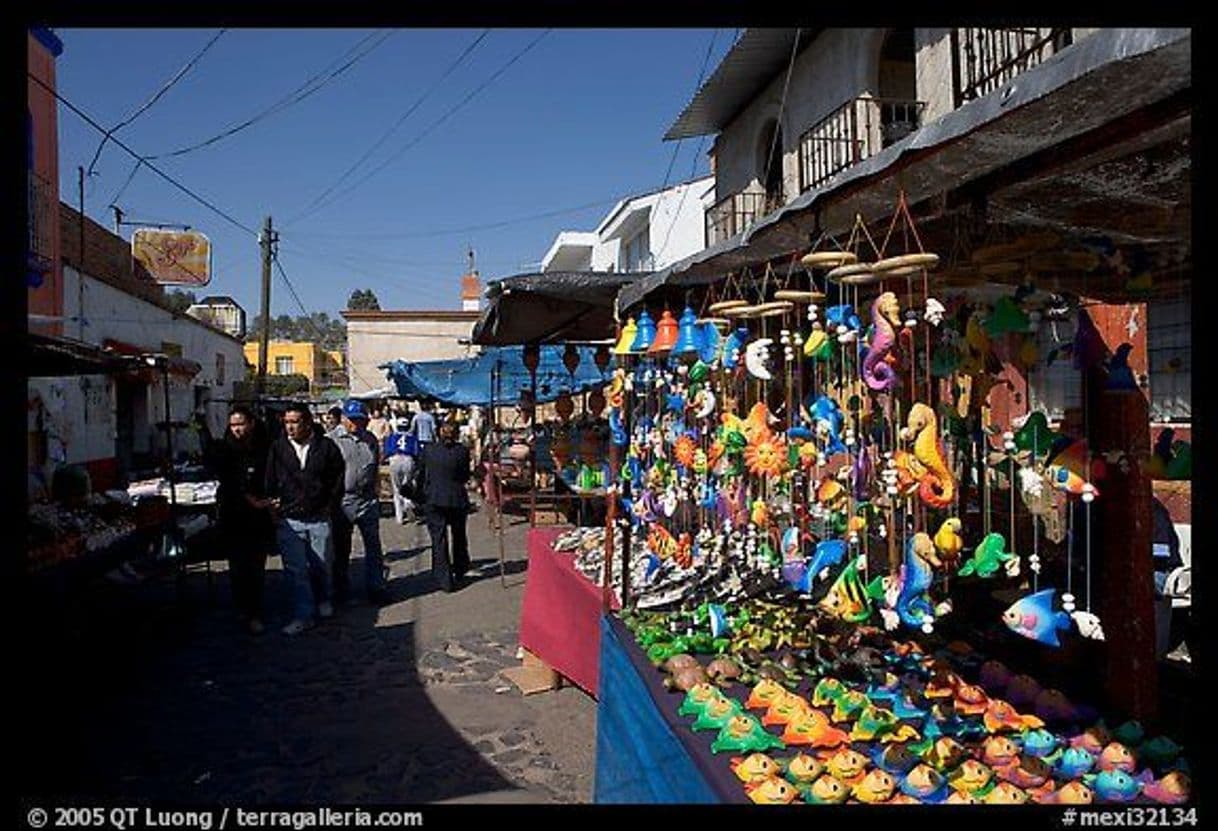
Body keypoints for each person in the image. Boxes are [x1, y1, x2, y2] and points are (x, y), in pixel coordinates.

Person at [263, 403, 346, 635]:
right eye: (287, 422)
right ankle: (303, 614)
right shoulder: (278, 449)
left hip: (319, 517)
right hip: (290, 519)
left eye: (295, 422)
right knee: (296, 570)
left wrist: (329, 505)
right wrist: (273, 502)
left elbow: (337, 478)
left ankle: (324, 598)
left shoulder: (326, 447)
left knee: (322, 566)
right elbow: (270, 478)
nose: (291, 427)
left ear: (307, 422)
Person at [206, 406, 273, 635]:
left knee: (256, 567)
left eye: (241, 424)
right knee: (237, 567)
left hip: (258, 518)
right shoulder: (224, 449)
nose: (237, 429)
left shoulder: (263, 448)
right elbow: (226, 478)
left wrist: (265, 500)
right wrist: (246, 497)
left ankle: (255, 611)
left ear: (251, 424)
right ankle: (242, 608)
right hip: (233, 515)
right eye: (233, 425)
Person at [327, 399, 390, 606]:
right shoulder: (332, 440)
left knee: (373, 546)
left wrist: (376, 492)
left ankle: (376, 587)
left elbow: (375, 467)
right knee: (341, 548)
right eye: (352, 420)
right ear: (344, 419)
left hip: (367, 499)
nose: (356, 424)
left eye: (360, 420)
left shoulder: (370, 439)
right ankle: (340, 589)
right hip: (343, 500)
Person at [415, 420, 472, 592]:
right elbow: (464, 476)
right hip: (456, 498)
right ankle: (460, 568)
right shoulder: (462, 451)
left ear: (440, 432)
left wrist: (419, 494)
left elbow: (421, 473)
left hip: (434, 498)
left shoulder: (429, 450)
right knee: (459, 535)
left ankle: (444, 578)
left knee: (438, 539)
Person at [384, 422, 419, 525]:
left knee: (396, 489)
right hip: (408, 459)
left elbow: (387, 451)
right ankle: (408, 502)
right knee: (407, 485)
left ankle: (399, 517)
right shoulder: (412, 437)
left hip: (395, 459)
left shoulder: (392, 436)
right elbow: (417, 452)